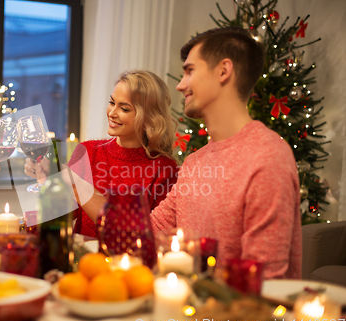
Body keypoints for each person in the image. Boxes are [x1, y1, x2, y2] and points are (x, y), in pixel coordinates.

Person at [76, 27, 302, 279]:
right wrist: (73, 181)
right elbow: (143, 235)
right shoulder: (195, 163)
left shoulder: (267, 157)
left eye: (190, 71)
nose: (181, 85)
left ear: (223, 71)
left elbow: (266, 284)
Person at [25, 70, 178, 238]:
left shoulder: (164, 169)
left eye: (124, 108)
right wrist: (50, 185)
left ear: (149, 117)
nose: (112, 113)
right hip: (83, 259)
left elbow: (152, 236)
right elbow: (62, 216)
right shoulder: (87, 151)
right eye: (112, 103)